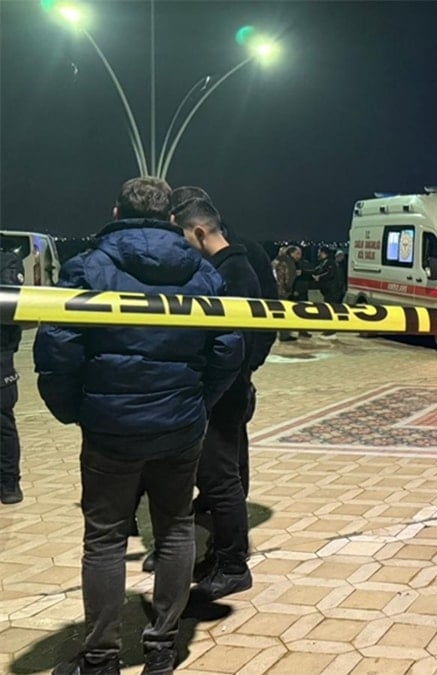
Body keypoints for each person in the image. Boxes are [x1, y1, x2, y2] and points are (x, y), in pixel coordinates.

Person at [34, 176, 243, 675]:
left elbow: (57, 349)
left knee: (105, 539)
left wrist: (77, 410)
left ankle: (101, 658)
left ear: (116, 213)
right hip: (179, 427)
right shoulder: (201, 272)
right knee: (174, 529)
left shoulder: (88, 267)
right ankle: (162, 650)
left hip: (110, 428)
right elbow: (228, 348)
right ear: (171, 218)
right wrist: (197, 402)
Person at [170, 192, 273, 599]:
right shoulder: (226, 266)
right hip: (224, 390)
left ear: (199, 231)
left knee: (221, 479)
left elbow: (242, 342)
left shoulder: (234, 271)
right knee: (218, 477)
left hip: (225, 393)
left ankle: (233, 565)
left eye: (181, 236)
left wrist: (225, 384)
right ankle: (220, 555)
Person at [1, 250, 24, 505]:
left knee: (2, 421)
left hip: (0, 352)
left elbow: (11, 305)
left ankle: (8, 481)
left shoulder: (6, 262)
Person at [272, 245, 302, 341]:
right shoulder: (289, 263)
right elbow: (288, 279)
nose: (299, 256)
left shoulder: (276, 260)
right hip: (283, 292)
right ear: (291, 253)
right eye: (297, 253)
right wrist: (290, 290)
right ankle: (284, 335)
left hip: (274, 290)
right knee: (285, 314)